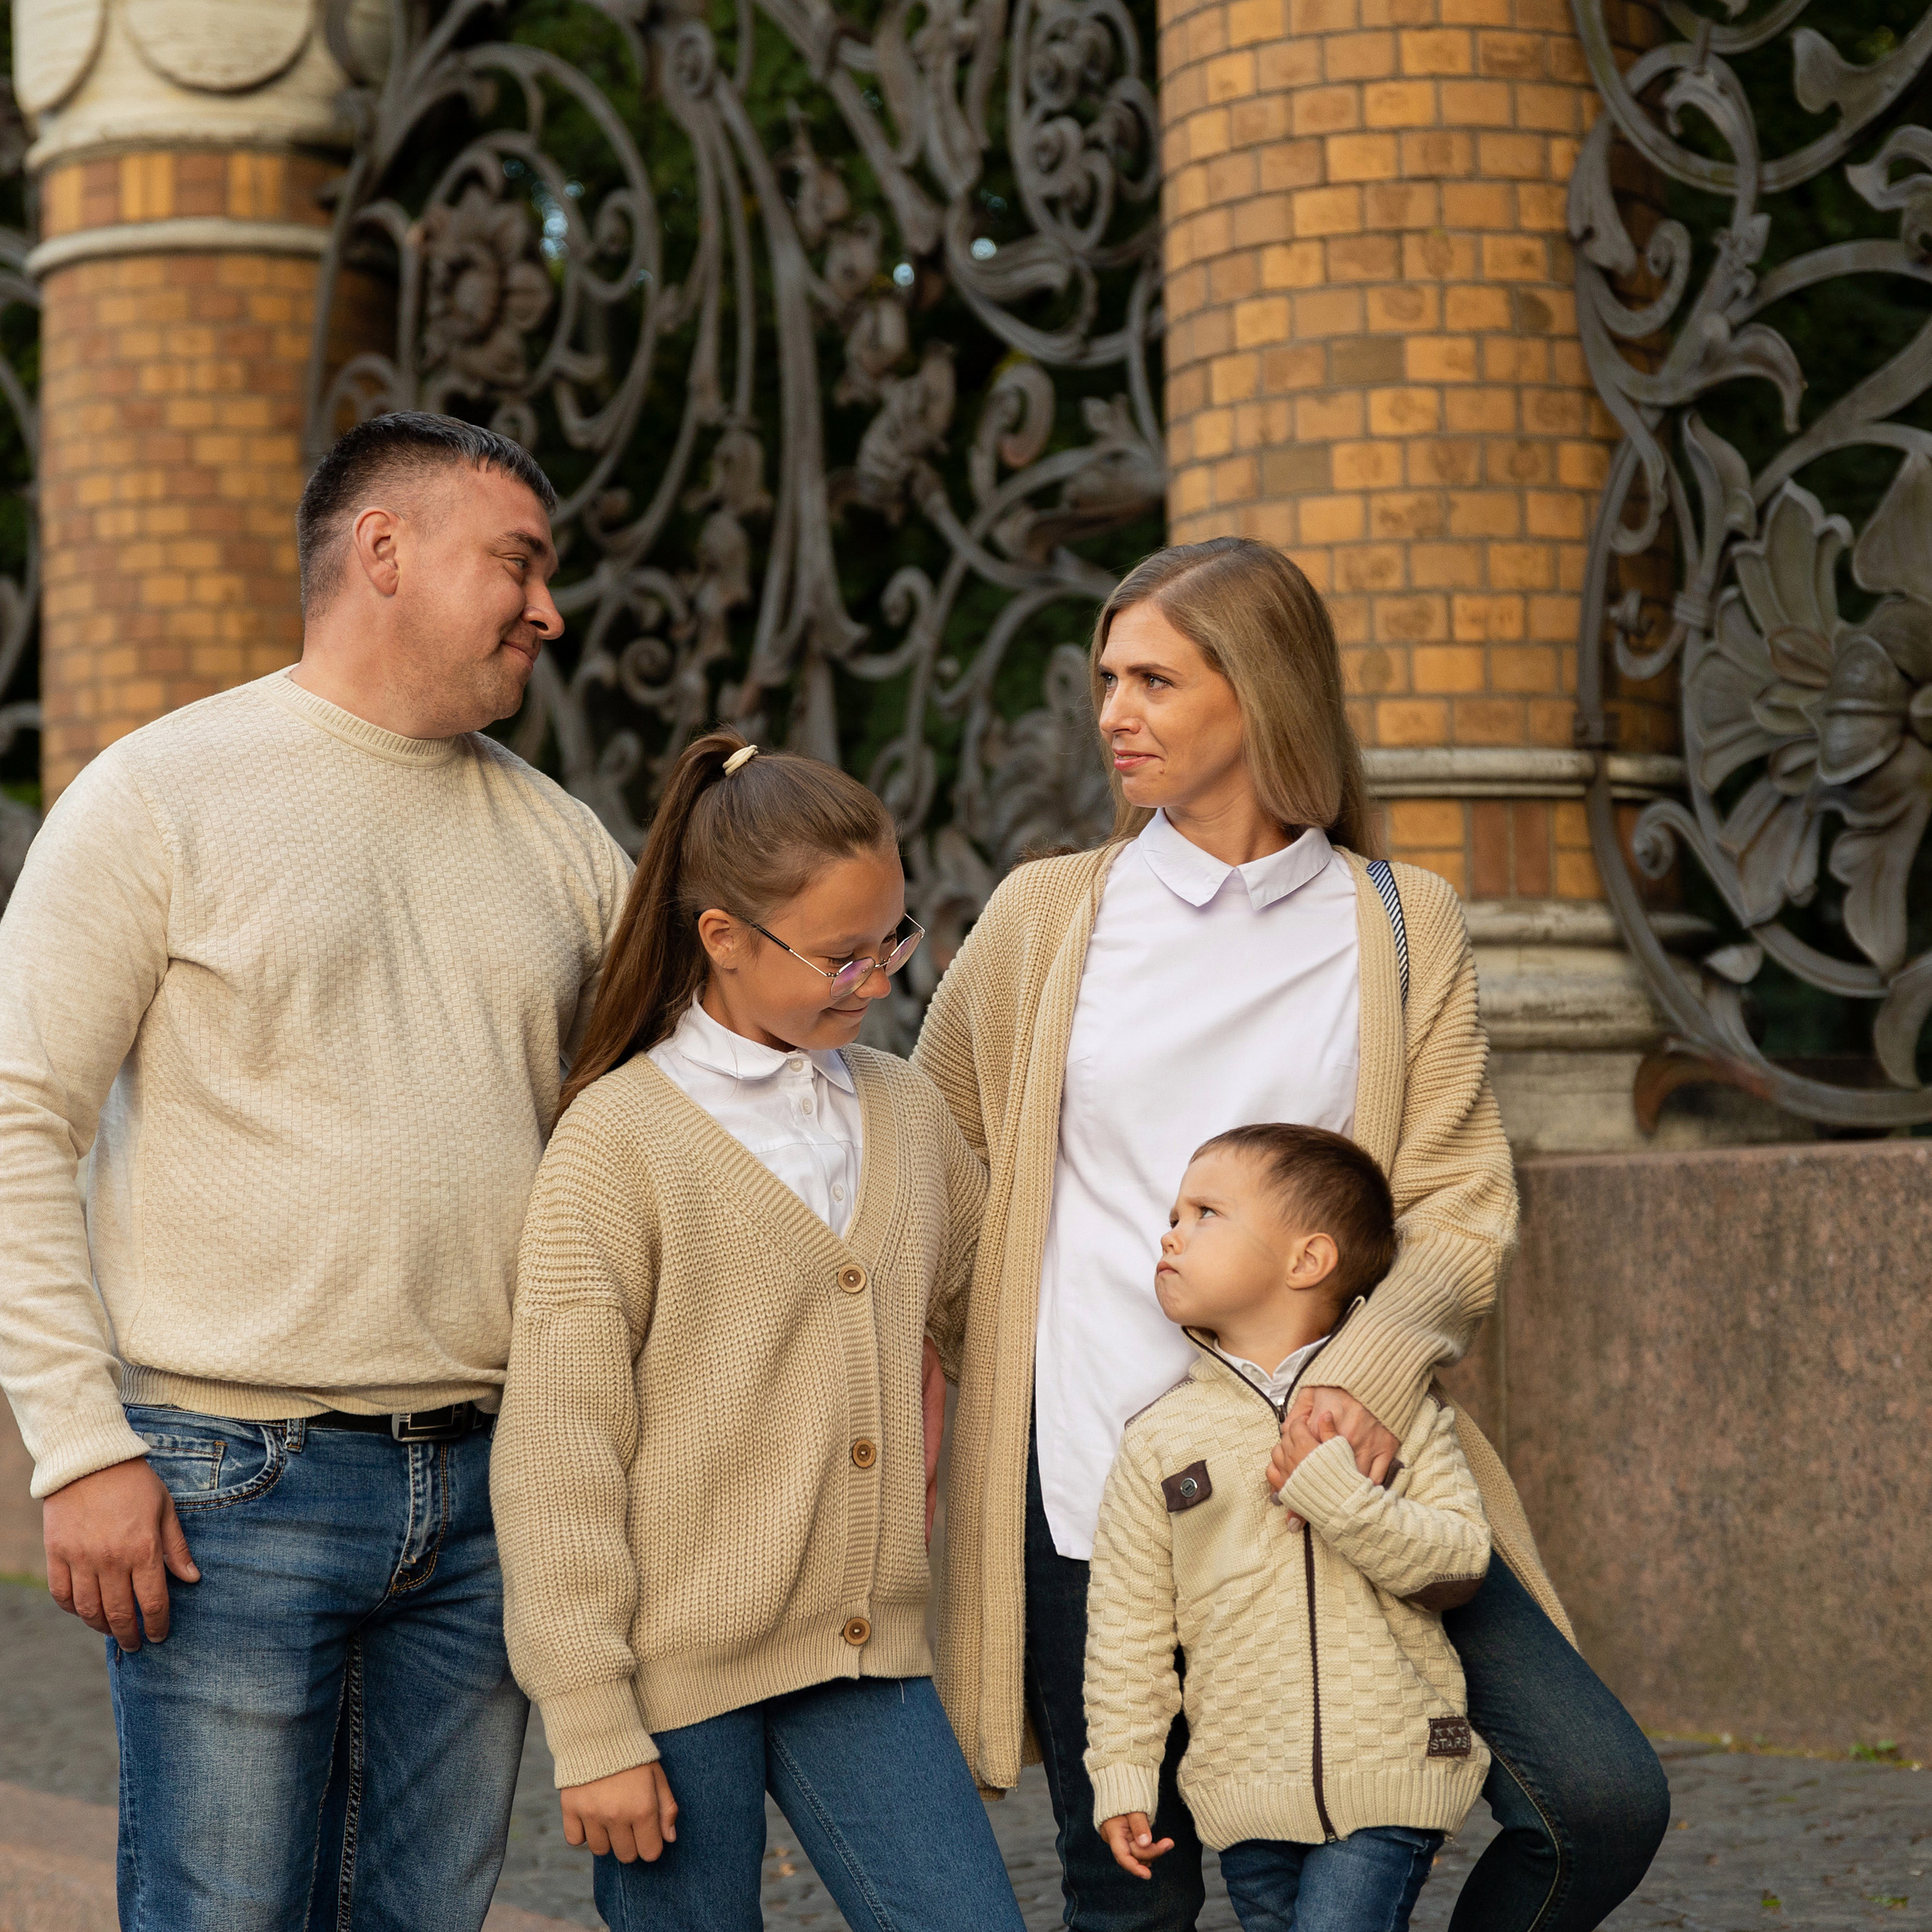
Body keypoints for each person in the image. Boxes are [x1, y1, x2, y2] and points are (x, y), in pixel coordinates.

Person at [915, 536, 1669, 1931]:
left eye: (1153, 679)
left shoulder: (1395, 923)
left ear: (1260, 692)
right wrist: (966, 1394)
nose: (1111, 714)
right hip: (1097, 1487)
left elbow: (1457, 1199)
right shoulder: (1045, 918)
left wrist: (1364, 1376)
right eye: (1105, 678)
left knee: (1599, 1801)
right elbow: (937, 1166)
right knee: (1134, 1898)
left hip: (1345, 1485)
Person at [0, 413, 632, 1931]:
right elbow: (18, 1114)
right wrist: (78, 1445)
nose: (549, 609)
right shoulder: (162, 792)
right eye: (521, 564)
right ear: (385, 551)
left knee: (426, 1917)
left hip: (490, 1491)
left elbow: (668, 1130)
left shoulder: (565, 843)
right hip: (227, 1483)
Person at [490, 730, 1026, 1932]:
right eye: (841, 955)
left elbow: (995, 1304)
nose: (878, 979)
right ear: (722, 938)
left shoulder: (902, 1108)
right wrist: (592, 1723)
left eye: (894, 939)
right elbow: (557, 1454)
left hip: (864, 1658)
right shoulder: (617, 1142)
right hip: (673, 1687)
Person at [1086, 1124, 1491, 1932]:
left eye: (1205, 1213)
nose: (1171, 1230)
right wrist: (1124, 1777)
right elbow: (1126, 1629)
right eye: (1174, 1212)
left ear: (1306, 1261)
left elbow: (1459, 1561)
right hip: (1242, 1793)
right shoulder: (1158, 1439)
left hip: (1390, 1772)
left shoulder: (1392, 1410)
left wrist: (1337, 1497)